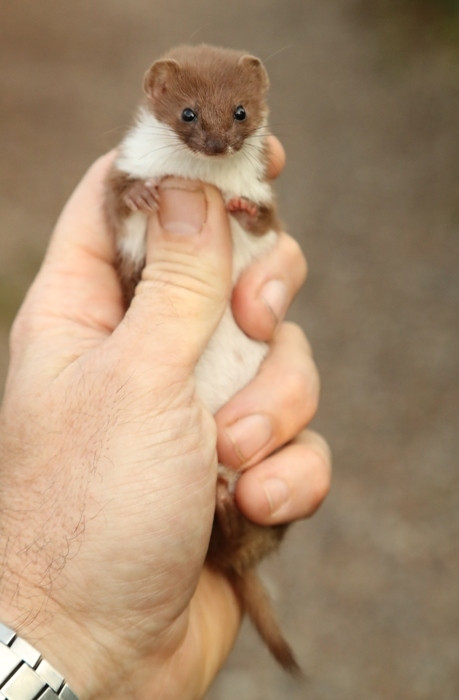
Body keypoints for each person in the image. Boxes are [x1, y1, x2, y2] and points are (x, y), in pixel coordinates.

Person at [0, 138, 331, 699]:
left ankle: (231, 533)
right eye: (190, 118)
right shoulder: (137, 172)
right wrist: (70, 630)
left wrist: (74, 641)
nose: (216, 136)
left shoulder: (237, 172)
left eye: (239, 118)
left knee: (251, 452)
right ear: (159, 94)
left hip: (138, 635)